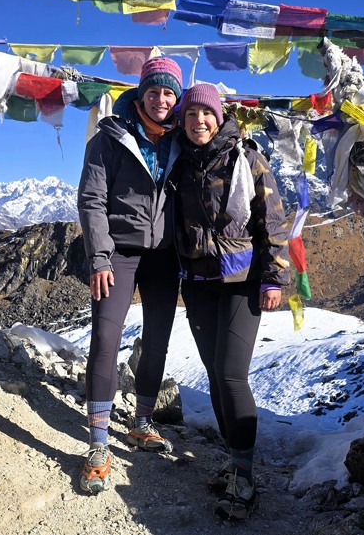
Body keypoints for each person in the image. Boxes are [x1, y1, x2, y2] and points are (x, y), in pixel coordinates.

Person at [168, 84, 291, 520]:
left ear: (219, 117)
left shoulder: (247, 159)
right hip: (198, 282)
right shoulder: (178, 161)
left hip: (242, 280)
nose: (198, 121)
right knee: (213, 374)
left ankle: (245, 477)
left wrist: (274, 278)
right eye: (190, 114)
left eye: (206, 113)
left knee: (231, 373)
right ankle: (232, 458)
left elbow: (272, 220)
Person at [75, 57, 184, 495]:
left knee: (157, 338)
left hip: (164, 257)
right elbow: (91, 199)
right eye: (154, 91)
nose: (161, 100)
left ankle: (142, 421)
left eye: (169, 92)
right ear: (140, 93)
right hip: (117, 252)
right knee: (105, 336)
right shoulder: (109, 137)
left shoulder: (183, 141)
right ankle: (98, 443)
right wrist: (99, 257)